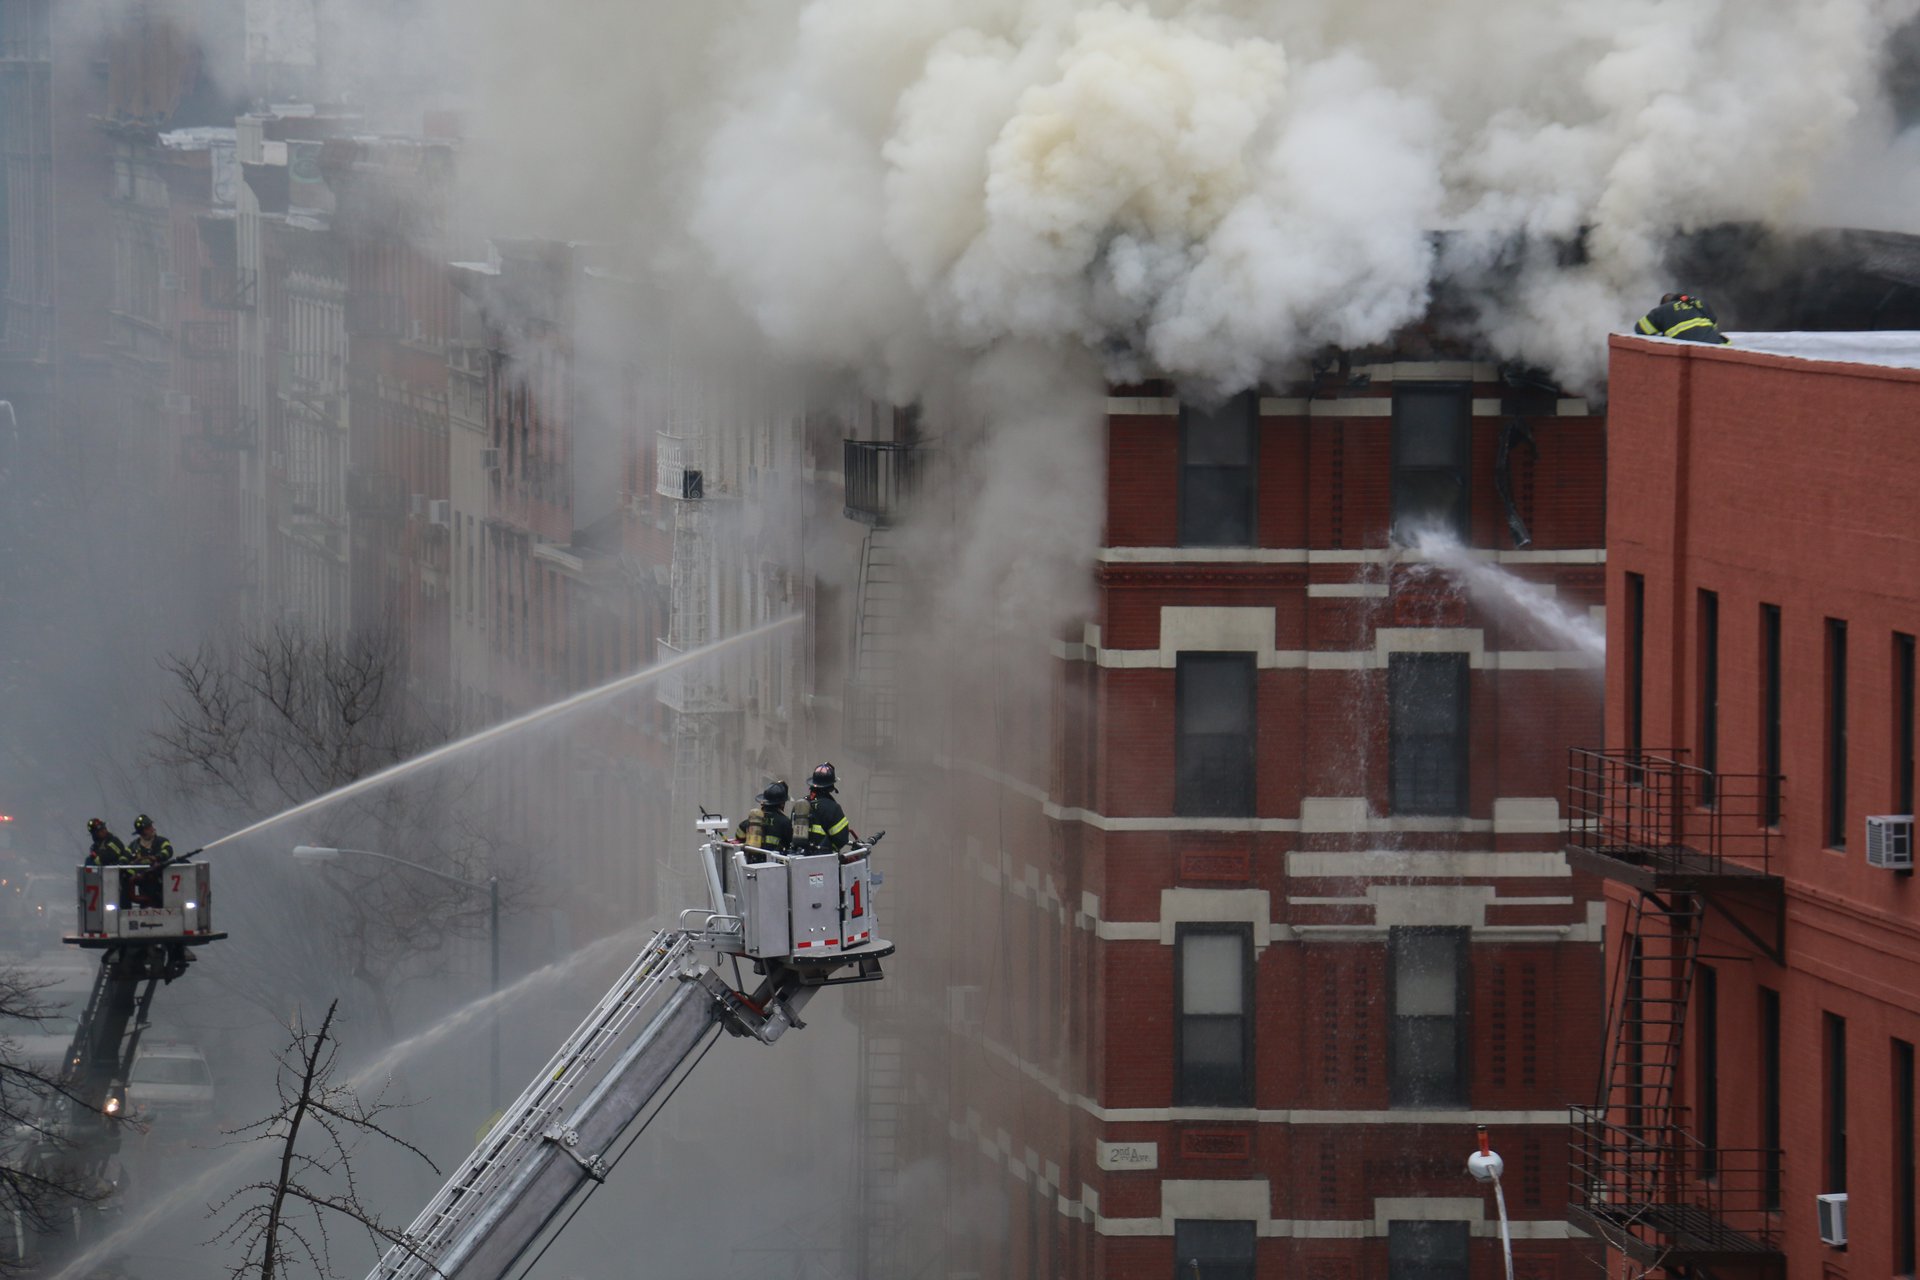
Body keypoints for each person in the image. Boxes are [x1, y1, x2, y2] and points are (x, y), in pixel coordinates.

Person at [1635, 292, 1732, 345]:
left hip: (1695, 348)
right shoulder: (1698, 302)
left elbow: (1641, 328)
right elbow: (1714, 324)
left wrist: (1661, 327)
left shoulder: (1663, 309)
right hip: (1718, 343)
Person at [803, 762, 855, 853]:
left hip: (799, 856)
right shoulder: (833, 808)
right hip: (824, 858)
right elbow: (841, 839)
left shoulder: (801, 804)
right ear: (831, 786)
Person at [733, 782, 793, 860]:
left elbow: (739, 836)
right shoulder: (784, 821)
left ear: (764, 802)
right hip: (774, 862)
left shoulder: (754, 820)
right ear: (782, 804)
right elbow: (789, 843)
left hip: (753, 860)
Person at [126, 814, 174, 907]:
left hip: (161, 884)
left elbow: (168, 850)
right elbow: (126, 858)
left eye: (151, 826)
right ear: (142, 832)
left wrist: (157, 857)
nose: (152, 829)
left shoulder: (161, 841)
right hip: (143, 885)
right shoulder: (133, 846)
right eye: (148, 828)